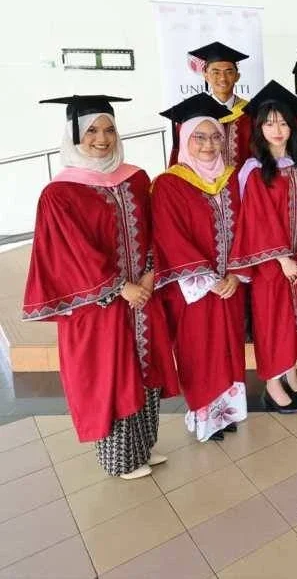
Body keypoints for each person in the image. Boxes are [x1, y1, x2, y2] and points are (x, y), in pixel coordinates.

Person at [25, 95, 178, 480]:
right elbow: (70, 254)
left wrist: (146, 275)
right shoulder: (59, 194)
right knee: (113, 378)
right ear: (74, 135)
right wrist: (118, 288)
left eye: (109, 129)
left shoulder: (136, 178)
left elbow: (153, 231)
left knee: (146, 373)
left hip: (142, 297)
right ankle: (121, 461)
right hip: (98, 308)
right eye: (91, 130)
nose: (102, 138)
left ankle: (143, 447)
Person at [153, 95, 248, 442]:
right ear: (185, 139)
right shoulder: (169, 183)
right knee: (199, 349)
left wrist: (237, 273)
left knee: (228, 345)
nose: (209, 145)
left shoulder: (232, 178)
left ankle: (228, 413)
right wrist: (209, 279)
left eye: (215, 137)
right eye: (200, 137)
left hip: (231, 283)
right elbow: (170, 237)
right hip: (195, 288)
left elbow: (247, 228)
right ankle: (205, 417)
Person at [229, 81, 297, 414]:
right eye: (269, 123)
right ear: (259, 128)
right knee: (273, 321)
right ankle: (271, 383)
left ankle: (290, 371)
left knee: (295, 318)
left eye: (282, 122)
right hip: (271, 264)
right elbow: (258, 220)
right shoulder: (253, 171)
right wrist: (283, 259)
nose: (276, 130)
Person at [173, 42, 253, 168]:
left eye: (229, 72)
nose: (222, 78)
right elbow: (179, 155)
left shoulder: (252, 113)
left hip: (243, 184)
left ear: (237, 76)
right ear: (206, 76)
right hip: (202, 185)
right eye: (215, 72)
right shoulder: (191, 115)